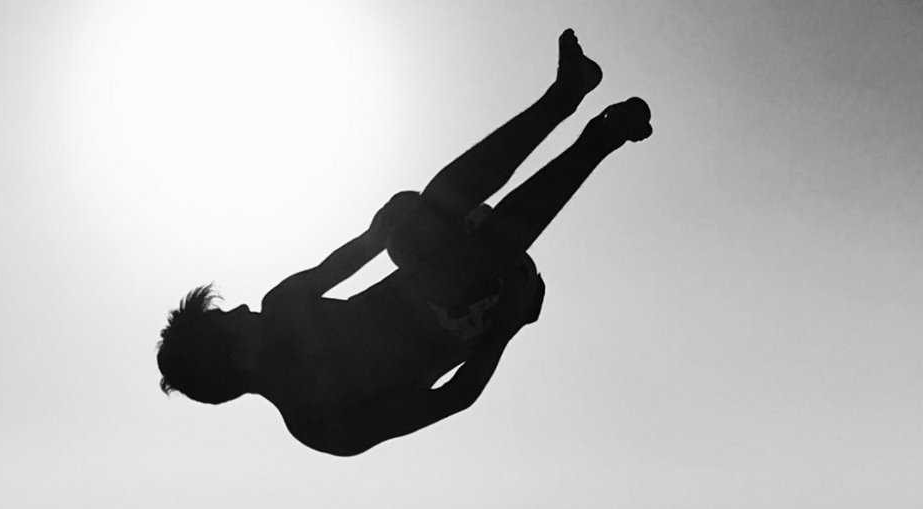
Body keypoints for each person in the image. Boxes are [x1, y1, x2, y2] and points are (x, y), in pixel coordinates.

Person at [156, 30, 651, 455]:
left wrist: (392, 225)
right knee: (444, 273)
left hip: (455, 261)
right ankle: (598, 141)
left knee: (414, 214)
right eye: (230, 320)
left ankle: (565, 95)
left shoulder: (282, 304)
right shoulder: (319, 423)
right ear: (237, 356)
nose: (241, 307)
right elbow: (451, 399)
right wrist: (505, 327)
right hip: (496, 309)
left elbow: (357, 252)